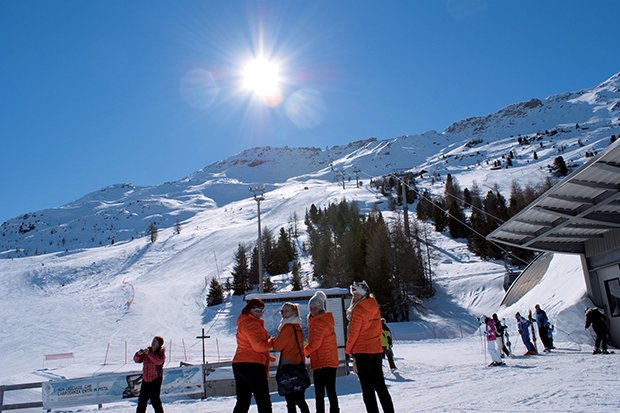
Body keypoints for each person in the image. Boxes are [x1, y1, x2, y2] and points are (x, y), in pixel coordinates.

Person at [345, 280, 395, 413]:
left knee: (367, 389)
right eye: (353, 294)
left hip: (362, 352)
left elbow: (354, 333)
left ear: (362, 294)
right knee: (380, 385)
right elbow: (378, 329)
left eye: (356, 294)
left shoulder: (359, 310)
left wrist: (348, 349)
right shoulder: (374, 305)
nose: (354, 296)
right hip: (376, 350)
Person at [232, 298, 273, 413]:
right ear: (249, 309)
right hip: (252, 365)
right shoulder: (251, 324)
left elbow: (250, 346)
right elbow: (259, 347)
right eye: (257, 310)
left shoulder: (243, 322)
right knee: (263, 400)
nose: (260, 312)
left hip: (240, 364)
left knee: (243, 401)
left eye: (261, 310)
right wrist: (271, 342)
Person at [270, 302, 310, 413]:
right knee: (300, 399)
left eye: (286, 311)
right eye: (282, 311)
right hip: (298, 365)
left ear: (294, 312)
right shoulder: (298, 327)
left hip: (288, 366)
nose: (283, 314)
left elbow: (278, 346)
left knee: (291, 401)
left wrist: (272, 341)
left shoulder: (287, 327)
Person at [305, 291, 340, 413]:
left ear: (320, 308)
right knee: (330, 391)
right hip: (328, 361)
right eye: (310, 308)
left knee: (320, 393)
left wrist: (302, 352)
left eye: (314, 308)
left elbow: (315, 344)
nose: (312, 310)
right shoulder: (323, 320)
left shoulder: (319, 322)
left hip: (323, 362)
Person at [133, 336, 165, 413]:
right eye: (153, 341)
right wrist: (138, 354)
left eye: (155, 342)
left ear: (159, 345)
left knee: (155, 402)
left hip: (155, 380)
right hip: (145, 380)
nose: (153, 343)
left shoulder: (160, 353)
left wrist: (149, 354)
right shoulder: (148, 351)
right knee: (141, 402)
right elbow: (136, 360)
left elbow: (158, 361)